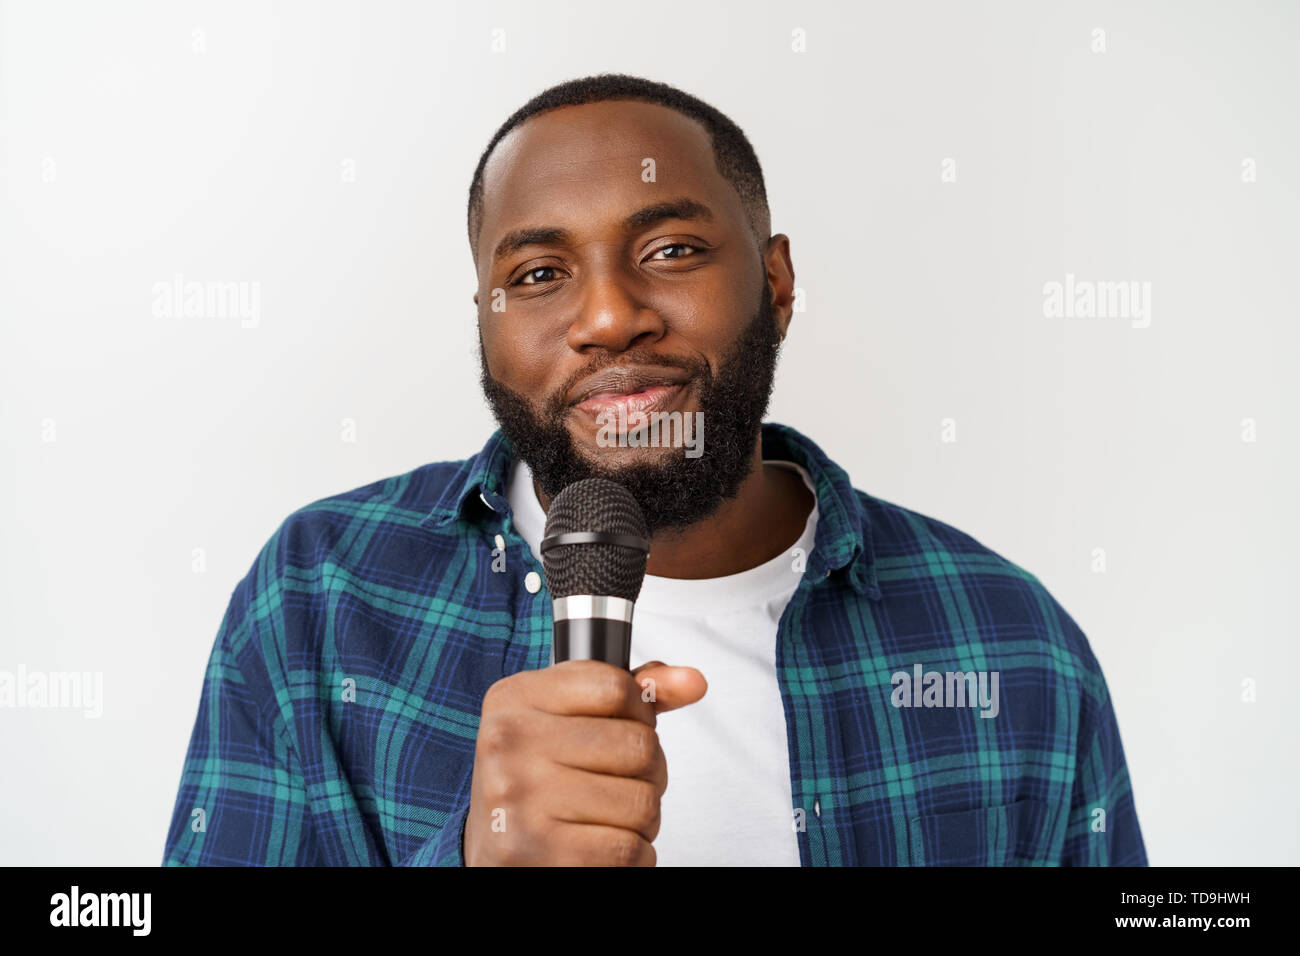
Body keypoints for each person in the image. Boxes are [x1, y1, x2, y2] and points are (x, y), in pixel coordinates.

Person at [163, 73, 1146, 866]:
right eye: (538, 274)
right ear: (485, 322)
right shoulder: (320, 597)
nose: (606, 317)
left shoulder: (1010, 645)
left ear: (776, 282)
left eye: (670, 248)